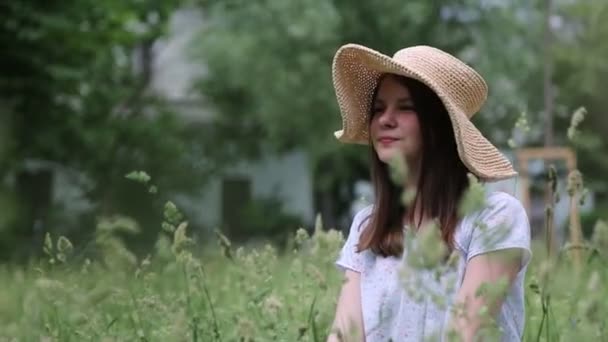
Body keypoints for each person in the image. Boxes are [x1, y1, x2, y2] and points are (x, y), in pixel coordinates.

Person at [327, 44, 532, 342]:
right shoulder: (367, 228)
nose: (385, 119)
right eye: (378, 108)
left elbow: (464, 334)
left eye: (406, 107)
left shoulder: (494, 218)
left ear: (440, 124)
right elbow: (344, 336)